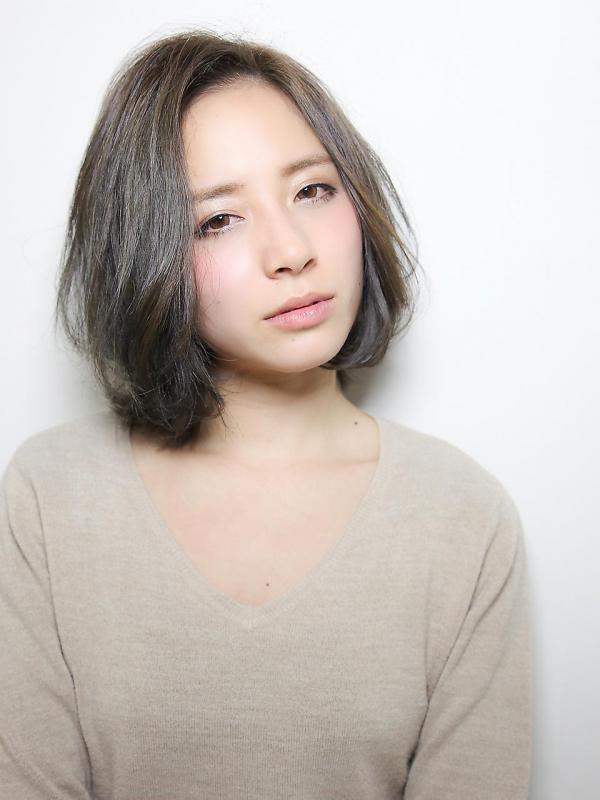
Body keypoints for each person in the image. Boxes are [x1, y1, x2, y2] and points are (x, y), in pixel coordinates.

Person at [0, 30, 531, 799]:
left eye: (313, 190)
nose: (291, 250)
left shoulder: (462, 516)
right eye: (218, 219)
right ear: (146, 251)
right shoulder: (49, 497)